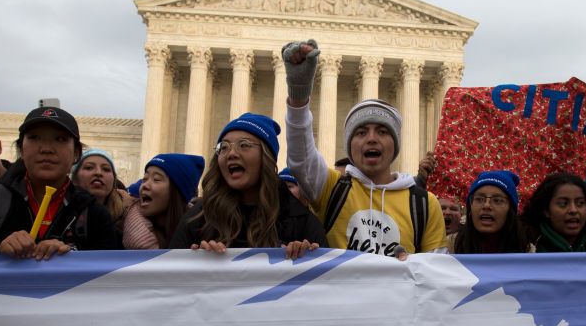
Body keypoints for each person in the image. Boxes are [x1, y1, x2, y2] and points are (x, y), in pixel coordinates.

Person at [282, 39, 448, 258]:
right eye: (361, 133)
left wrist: (409, 266)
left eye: (382, 131)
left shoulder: (425, 204)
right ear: (350, 146)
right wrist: (299, 95)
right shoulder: (332, 189)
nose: (371, 139)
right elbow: (301, 159)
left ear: (395, 144)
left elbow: (436, 271)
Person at [0, 105, 118, 258]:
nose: (46, 149)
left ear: (76, 154)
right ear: (21, 149)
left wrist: (70, 256)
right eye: (34, 138)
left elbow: (111, 277)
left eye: (60, 139)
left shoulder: (93, 213)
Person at [169, 112, 327, 258]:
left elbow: (325, 281)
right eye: (224, 147)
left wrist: (307, 256)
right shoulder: (198, 218)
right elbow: (170, 278)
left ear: (266, 157)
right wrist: (193, 259)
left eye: (243, 145)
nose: (231, 153)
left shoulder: (299, 221)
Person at [522, 172, 586, 253]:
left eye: (580, 203)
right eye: (563, 204)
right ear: (546, 210)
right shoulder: (524, 246)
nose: (573, 210)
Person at [123, 153, 204, 249]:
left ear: (177, 191)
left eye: (156, 179)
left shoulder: (203, 231)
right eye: (144, 179)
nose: (144, 185)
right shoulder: (124, 228)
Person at [450, 170, 529, 254]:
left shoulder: (527, 251)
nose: (486, 206)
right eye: (479, 199)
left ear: (511, 210)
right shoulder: (449, 247)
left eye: (497, 200)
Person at [72, 149, 132, 233]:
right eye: (89, 168)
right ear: (75, 179)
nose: (98, 172)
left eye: (106, 169)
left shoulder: (127, 220)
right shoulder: (61, 214)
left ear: (113, 181)